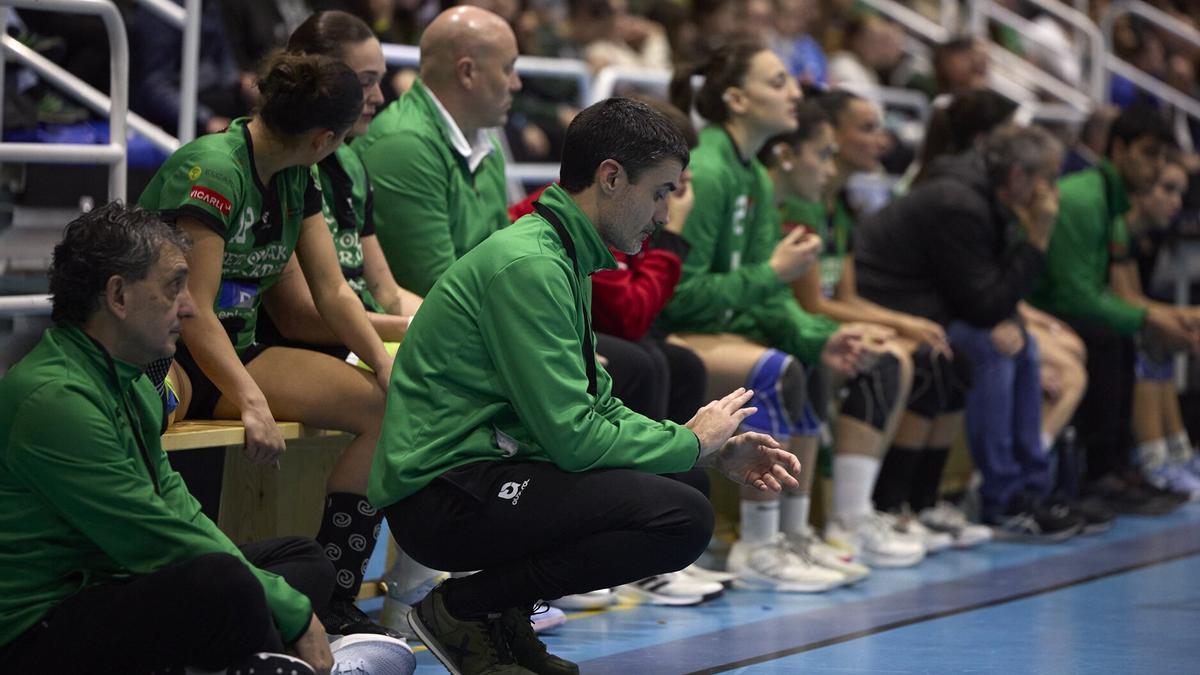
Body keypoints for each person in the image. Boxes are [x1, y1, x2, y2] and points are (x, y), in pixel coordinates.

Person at [374, 97, 802, 675]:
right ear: (610, 178)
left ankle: (500, 620)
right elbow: (574, 438)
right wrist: (689, 443)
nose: (663, 216)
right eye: (660, 193)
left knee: (681, 483)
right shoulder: (529, 264)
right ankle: (464, 609)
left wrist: (710, 451)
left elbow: (596, 405)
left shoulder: (562, 255)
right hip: (444, 494)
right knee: (680, 516)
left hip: (485, 473)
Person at [0, 202, 413, 674]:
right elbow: (154, 539)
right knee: (227, 583)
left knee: (303, 560)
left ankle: (265, 660)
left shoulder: (127, 381)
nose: (191, 305)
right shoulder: (55, 399)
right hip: (39, 629)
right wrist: (297, 617)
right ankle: (294, 661)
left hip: (110, 582)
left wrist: (278, 601)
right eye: (175, 285)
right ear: (118, 296)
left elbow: (178, 508)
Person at [137, 51, 397, 637]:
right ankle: (125, 588)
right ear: (325, 137)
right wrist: (251, 400)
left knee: (385, 410)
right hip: (167, 352)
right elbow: (193, 310)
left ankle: (332, 596)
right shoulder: (212, 171)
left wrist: (383, 364)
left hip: (242, 351)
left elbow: (332, 293)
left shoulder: (297, 176)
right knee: (137, 413)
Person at [662, 42, 873, 591]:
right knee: (777, 370)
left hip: (719, 327)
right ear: (735, 98)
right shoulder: (706, 170)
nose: (796, 93)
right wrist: (772, 273)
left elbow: (769, 290)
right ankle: (755, 548)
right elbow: (677, 294)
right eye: (778, 82)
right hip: (671, 330)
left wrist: (818, 333)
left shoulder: (752, 175)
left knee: (805, 356)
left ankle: (791, 534)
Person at [760, 98, 989, 558]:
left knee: (941, 358)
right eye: (866, 128)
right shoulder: (798, 207)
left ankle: (898, 506)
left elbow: (844, 298)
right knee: (894, 360)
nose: (881, 140)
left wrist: (903, 323)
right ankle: (854, 514)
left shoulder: (837, 208)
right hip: (789, 325)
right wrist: (896, 327)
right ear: (833, 139)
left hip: (813, 319)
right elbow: (813, 303)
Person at [1028, 104, 1197, 514]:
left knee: (1128, 335)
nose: (1156, 167)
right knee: (1109, 337)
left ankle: (1131, 463)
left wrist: (1163, 319)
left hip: (1063, 309)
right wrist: (1150, 317)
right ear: (1118, 150)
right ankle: (1098, 473)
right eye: (1148, 154)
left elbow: (1120, 294)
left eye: (1163, 157)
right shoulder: (1084, 200)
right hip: (1037, 311)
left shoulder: (1113, 205)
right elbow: (1073, 296)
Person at [260, 11, 422, 358]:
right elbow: (298, 317)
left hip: (359, 335)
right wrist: (411, 328)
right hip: (308, 349)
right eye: (365, 82)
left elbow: (387, 292)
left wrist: (450, 318)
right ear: (318, 79)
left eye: (380, 80)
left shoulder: (350, 162)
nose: (379, 96)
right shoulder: (281, 166)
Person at [354, 5, 520, 296]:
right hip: (429, 329)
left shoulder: (486, 141)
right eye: (508, 69)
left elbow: (506, 263)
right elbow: (438, 292)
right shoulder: (404, 146)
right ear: (467, 73)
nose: (516, 84)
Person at [1115, 156, 1200, 496]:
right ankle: (1153, 459)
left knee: (1163, 334)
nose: (1176, 202)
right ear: (1139, 192)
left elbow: (1135, 298)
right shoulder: (1117, 228)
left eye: (1180, 192)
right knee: (1153, 336)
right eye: (1167, 190)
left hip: (1112, 311)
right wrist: (1187, 316)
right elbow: (1124, 300)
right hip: (1081, 315)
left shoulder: (1138, 237)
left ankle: (1177, 451)